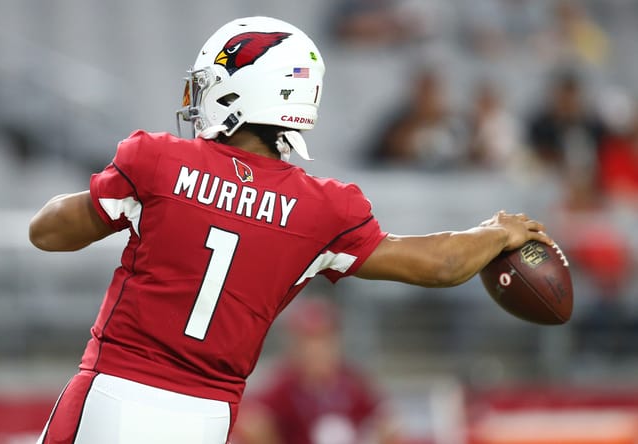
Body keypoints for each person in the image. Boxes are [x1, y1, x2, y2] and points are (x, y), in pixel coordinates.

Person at [28, 16, 552, 444]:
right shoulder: (322, 210)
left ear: (239, 92)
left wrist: (121, 196)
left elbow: (47, 232)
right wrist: (496, 232)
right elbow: (440, 265)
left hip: (115, 393)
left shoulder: (158, 161)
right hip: (208, 420)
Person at [232, 298, 400, 444]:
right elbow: (251, 420)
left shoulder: (352, 381)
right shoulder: (284, 384)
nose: (315, 350)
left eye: (323, 339)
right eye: (308, 341)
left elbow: (387, 422)